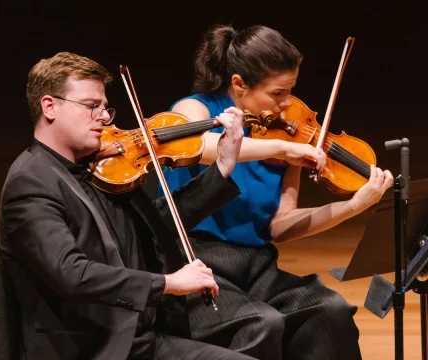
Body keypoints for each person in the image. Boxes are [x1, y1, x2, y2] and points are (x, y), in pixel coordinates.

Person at [0, 51, 258, 360]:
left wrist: (223, 166)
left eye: (105, 108)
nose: (105, 117)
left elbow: (156, 225)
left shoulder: (98, 168)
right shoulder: (31, 182)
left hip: (142, 333)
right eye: (91, 106)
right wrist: (168, 283)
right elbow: (72, 274)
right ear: (50, 106)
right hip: (94, 348)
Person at [161, 24, 394, 360]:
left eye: (291, 91)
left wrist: (353, 206)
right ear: (239, 84)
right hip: (195, 264)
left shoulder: (288, 138)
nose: (287, 105)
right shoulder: (194, 110)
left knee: (330, 310)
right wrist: (280, 150)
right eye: (277, 93)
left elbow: (280, 224)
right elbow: (197, 144)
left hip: (257, 267)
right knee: (261, 324)